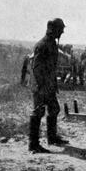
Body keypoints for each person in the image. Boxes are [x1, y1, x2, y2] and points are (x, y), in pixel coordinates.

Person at [28, 18, 69, 154]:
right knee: (38, 112)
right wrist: (41, 87)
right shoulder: (43, 44)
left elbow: (51, 67)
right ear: (52, 29)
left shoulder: (51, 43)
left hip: (48, 85)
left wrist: (52, 84)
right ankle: (33, 145)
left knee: (54, 109)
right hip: (40, 85)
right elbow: (36, 68)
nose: (62, 31)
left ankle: (52, 138)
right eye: (60, 29)